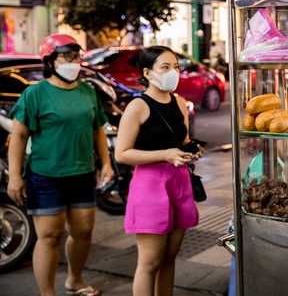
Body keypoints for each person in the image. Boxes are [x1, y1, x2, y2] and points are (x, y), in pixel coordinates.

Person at [6, 34, 113, 296]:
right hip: (45, 175)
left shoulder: (87, 91)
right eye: (68, 56)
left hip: (82, 173)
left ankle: (74, 280)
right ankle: (47, 293)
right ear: (50, 61)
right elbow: (19, 137)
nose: (75, 61)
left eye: (77, 55)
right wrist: (15, 177)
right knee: (50, 237)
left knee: (84, 231)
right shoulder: (35, 93)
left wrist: (107, 164)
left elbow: (97, 129)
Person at [114, 46, 203, 296]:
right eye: (165, 67)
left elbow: (182, 141)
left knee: (169, 258)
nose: (173, 72)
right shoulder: (138, 106)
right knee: (150, 262)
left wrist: (192, 149)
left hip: (180, 182)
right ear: (148, 73)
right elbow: (122, 153)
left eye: (175, 67)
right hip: (150, 186)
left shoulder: (180, 102)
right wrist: (164, 155)